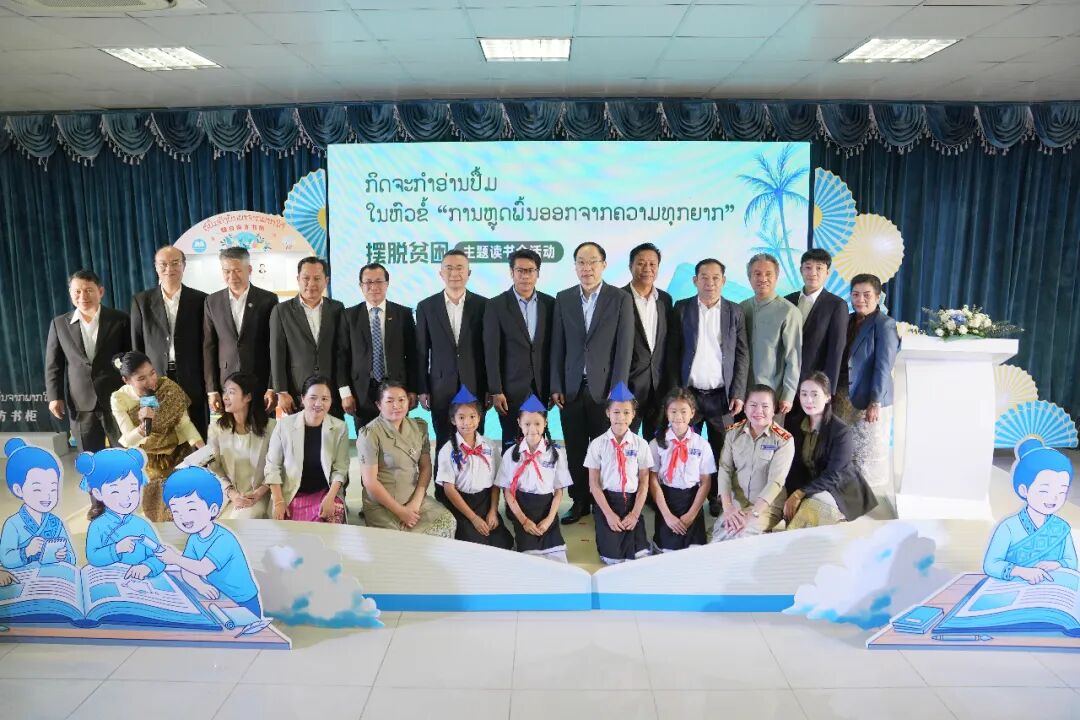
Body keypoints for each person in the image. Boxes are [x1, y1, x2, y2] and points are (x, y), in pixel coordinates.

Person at [550, 241, 634, 524]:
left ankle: (603, 502)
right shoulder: (563, 298)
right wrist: (556, 385)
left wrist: (618, 392)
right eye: (581, 263)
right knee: (575, 448)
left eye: (592, 262)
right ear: (575, 266)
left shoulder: (620, 298)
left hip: (605, 391)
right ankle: (579, 501)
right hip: (571, 388)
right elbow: (557, 346)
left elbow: (624, 347)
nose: (587, 268)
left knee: (604, 449)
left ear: (604, 265)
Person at [669, 259, 749, 517]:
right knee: (684, 447)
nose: (710, 283)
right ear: (695, 280)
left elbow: (742, 355)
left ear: (723, 281)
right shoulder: (682, 309)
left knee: (721, 451)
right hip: (689, 396)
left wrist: (738, 393)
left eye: (716, 278)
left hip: (722, 398)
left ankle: (717, 497)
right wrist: (677, 395)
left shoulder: (735, 311)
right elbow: (673, 352)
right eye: (704, 277)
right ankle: (686, 495)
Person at [415, 250, 488, 493]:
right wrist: (422, 388)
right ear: (440, 273)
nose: (454, 273)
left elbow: (489, 350)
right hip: (440, 387)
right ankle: (443, 493)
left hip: (475, 384)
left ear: (469, 273)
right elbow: (421, 351)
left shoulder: (484, 305)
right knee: (444, 439)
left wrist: (490, 387)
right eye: (449, 268)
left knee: (474, 439)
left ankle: (475, 490)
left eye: (459, 268)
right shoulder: (426, 306)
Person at [110, 351, 204, 522]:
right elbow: (128, 440)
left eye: (152, 373)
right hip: (151, 461)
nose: (151, 381)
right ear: (126, 380)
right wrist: (142, 427)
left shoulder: (167, 387)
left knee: (187, 504)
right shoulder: (119, 399)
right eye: (141, 378)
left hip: (178, 452)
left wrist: (202, 449)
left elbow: (184, 423)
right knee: (159, 513)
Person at [156, 466, 262, 618]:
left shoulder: (224, 539)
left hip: (243, 602)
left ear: (212, 510)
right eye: (176, 511)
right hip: (220, 598)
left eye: (191, 509)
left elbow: (203, 568)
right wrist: (200, 586)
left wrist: (174, 558)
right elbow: (187, 570)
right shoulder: (194, 538)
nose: (183, 517)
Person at [356, 379, 456, 537]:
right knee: (401, 541)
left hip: (414, 498)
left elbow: (425, 467)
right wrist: (401, 512)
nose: (396, 405)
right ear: (379, 405)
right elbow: (370, 483)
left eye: (401, 400)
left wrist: (415, 503)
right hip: (383, 504)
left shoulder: (419, 427)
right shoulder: (370, 434)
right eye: (389, 401)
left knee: (448, 521)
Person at [45, 269, 131, 452]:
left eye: (89, 290)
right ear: (70, 293)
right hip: (81, 402)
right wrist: (54, 397)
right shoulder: (59, 324)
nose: (83, 296)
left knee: (123, 454)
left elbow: (130, 358)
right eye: (77, 291)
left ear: (101, 291)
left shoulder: (120, 319)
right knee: (89, 457)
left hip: (116, 399)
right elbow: (54, 365)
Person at [130, 246, 209, 439]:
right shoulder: (141, 301)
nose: (169, 269)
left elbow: (207, 344)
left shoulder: (201, 299)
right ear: (156, 267)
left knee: (195, 431)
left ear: (184, 266)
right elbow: (137, 346)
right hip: (154, 379)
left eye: (175, 263)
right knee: (161, 434)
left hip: (192, 377)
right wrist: (140, 382)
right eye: (163, 264)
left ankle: (197, 460)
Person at [782, 372, 878, 529]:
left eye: (815, 394)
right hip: (810, 485)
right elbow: (794, 467)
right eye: (804, 394)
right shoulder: (793, 425)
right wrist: (792, 494)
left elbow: (834, 475)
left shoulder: (841, 431)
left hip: (838, 488)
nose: (808, 400)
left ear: (827, 397)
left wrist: (799, 493)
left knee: (809, 512)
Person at [484, 248, 555, 453]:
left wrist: (554, 386)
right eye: (520, 270)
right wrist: (496, 389)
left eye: (530, 270)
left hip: (542, 387)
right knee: (512, 443)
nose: (525, 276)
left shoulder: (550, 304)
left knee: (539, 442)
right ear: (511, 272)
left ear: (538, 273)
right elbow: (491, 350)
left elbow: (554, 349)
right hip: (509, 390)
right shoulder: (496, 305)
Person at [833, 274, 899, 492]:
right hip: (843, 395)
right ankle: (845, 493)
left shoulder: (884, 324)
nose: (860, 299)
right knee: (845, 448)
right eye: (855, 294)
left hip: (869, 397)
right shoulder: (848, 320)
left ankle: (866, 496)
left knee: (866, 451)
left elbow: (883, 366)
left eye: (866, 295)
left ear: (878, 297)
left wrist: (875, 401)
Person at [269, 257, 353, 419]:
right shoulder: (281, 311)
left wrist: (344, 391)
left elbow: (341, 352)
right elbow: (277, 354)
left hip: (331, 393)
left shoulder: (337, 308)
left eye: (317, 278)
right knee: (299, 434)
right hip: (297, 393)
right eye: (306, 278)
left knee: (332, 433)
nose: (311, 283)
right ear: (298, 279)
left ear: (326, 281)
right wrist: (282, 391)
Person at [983, 439, 1075, 583]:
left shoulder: (1062, 528)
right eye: (1044, 490)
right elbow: (991, 564)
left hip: (1052, 589)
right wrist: (1020, 571)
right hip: (1012, 589)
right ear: (1024, 490)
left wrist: (1057, 564)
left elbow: (1072, 562)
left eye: (1062, 491)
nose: (1054, 497)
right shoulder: (1008, 527)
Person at [711, 385, 794, 542]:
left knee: (740, 535)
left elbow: (776, 481)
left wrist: (753, 514)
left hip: (767, 507)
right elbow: (724, 469)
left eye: (765, 406)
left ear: (774, 409)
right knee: (719, 533)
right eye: (753, 405)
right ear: (745, 407)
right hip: (737, 502)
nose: (758, 411)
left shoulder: (784, 440)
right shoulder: (733, 433)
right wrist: (728, 507)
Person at [495, 395, 573, 562]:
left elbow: (559, 491)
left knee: (557, 556)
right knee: (529, 557)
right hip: (523, 510)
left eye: (537, 423)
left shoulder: (555, 454)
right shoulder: (511, 454)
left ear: (545, 423)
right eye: (527, 424)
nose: (532, 429)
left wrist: (549, 520)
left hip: (547, 510)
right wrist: (523, 521)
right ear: (519, 423)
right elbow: (507, 491)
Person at [435, 385, 514, 549]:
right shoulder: (447, 450)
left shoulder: (489, 446)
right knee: (474, 545)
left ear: (479, 418)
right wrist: (473, 518)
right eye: (461, 417)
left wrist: (493, 511)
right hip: (461, 503)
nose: (467, 422)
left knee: (504, 543)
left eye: (472, 416)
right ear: (453, 420)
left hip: (485, 502)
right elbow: (449, 489)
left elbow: (496, 483)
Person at [203, 246, 278, 415]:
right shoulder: (212, 301)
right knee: (230, 428)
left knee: (261, 426)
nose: (232, 276)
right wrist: (212, 390)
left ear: (249, 270)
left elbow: (274, 345)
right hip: (226, 381)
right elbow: (209, 346)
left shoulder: (268, 300)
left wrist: (272, 386)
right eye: (227, 271)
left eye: (237, 270)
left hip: (259, 379)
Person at [264, 375, 350, 524]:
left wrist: (330, 498)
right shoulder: (284, 426)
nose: (319, 403)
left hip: (324, 493)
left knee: (332, 520)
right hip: (292, 493)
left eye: (325, 399)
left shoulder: (339, 427)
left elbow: (340, 469)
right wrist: (278, 501)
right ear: (302, 399)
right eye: (313, 398)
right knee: (289, 533)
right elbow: (272, 466)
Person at [585, 383, 653, 565]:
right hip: (607, 503)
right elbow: (594, 484)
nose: (621, 417)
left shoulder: (641, 444)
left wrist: (635, 514)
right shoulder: (597, 444)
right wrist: (608, 514)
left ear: (633, 414)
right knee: (612, 559)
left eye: (626, 412)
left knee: (641, 556)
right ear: (608, 413)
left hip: (632, 503)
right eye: (616, 412)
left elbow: (644, 482)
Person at [345, 262, 418, 428]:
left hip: (397, 390)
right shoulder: (349, 316)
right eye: (368, 282)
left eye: (379, 281)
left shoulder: (403, 314)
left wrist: (413, 389)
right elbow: (342, 357)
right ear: (361, 286)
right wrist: (345, 393)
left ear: (387, 284)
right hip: (361, 392)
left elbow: (413, 356)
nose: (374, 287)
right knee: (365, 439)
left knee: (397, 438)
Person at [79, 448, 165, 579]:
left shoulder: (142, 526)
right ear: (98, 493)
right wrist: (116, 549)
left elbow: (160, 555)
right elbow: (93, 557)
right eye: (115, 491)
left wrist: (147, 566)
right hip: (107, 582)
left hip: (141, 584)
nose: (127, 497)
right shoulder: (97, 526)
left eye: (132, 489)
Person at [649, 388, 714, 551]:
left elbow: (706, 482)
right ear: (666, 413)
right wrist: (667, 515)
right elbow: (653, 479)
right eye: (673, 411)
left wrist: (691, 514)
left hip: (692, 501)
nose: (678, 416)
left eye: (684, 411)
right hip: (666, 500)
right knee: (666, 550)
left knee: (694, 551)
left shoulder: (702, 444)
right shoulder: (656, 443)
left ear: (692, 413)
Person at [740, 253, 802, 420]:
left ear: (776, 277)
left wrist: (788, 395)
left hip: (772, 397)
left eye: (768, 274)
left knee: (770, 437)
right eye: (757, 273)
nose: (763, 278)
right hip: (742, 396)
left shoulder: (789, 311)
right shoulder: (741, 308)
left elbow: (793, 358)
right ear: (749, 277)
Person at [206, 372, 275, 520]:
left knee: (240, 520)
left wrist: (257, 494)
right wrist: (232, 493)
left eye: (231, 392)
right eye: (224, 391)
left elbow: (277, 466)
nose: (225, 397)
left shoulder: (271, 427)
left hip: (260, 496)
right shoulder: (216, 428)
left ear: (248, 397)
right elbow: (214, 468)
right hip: (227, 495)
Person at [622, 243, 673, 440]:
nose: (647, 269)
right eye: (641, 263)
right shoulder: (617, 298)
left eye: (652, 264)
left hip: (659, 388)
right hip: (628, 387)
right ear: (630, 266)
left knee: (656, 446)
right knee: (626, 443)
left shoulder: (665, 300)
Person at [0, 439, 74, 569]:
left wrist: (64, 556)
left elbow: (71, 556)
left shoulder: (56, 522)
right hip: (25, 578)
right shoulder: (13, 524)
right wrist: (27, 551)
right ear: (18, 489)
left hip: (55, 575)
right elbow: (5, 558)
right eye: (38, 489)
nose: (47, 495)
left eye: (53, 489)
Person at [784, 249, 848, 393]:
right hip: (785, 383)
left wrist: (828, 391)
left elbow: (835, 352)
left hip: (814, 386)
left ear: (827, 273)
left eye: (819, 268)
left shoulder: (837, 305)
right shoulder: (787, 301)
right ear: (801, 270)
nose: (813, 273)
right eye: (808, 267)